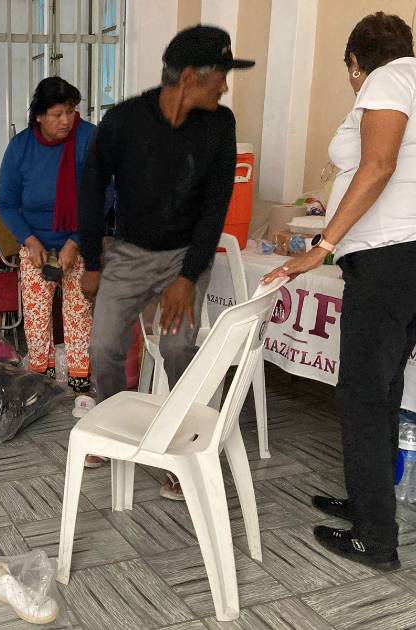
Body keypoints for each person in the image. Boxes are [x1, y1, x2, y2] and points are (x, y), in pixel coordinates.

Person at [263, 12, 416, 571]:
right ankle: (367, 503)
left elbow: (378, 165)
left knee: (363, 395)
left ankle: (375, 538)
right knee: (383, 388)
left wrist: (323, 245)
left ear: (355, 61)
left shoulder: (387, 78)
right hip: (404, 259)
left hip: (387, 260)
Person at [78, 25, 253, 498]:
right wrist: (92, 260)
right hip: (130, 254)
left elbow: (216, 206)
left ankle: (184, 444)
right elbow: (91, 187)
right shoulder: (124, 121)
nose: (225, 86)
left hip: (184, 255)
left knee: (177, 348)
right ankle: (112, 426)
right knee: (103, 347)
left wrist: (188, 277)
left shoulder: (219, 124)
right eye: (221, 75)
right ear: (191, 77)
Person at [0, 77, 95, 397]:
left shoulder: (88, 139)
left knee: (79, 316)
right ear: (39, 115)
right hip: (36, 245)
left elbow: (104, 195)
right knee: (37, 320)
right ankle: (41, 385)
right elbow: (6, 203)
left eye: (71, 111)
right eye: (57, 114)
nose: (67, 120)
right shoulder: (21, 148)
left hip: (79, 240)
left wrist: (75, 242)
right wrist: (30, 241)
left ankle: (80, 388)